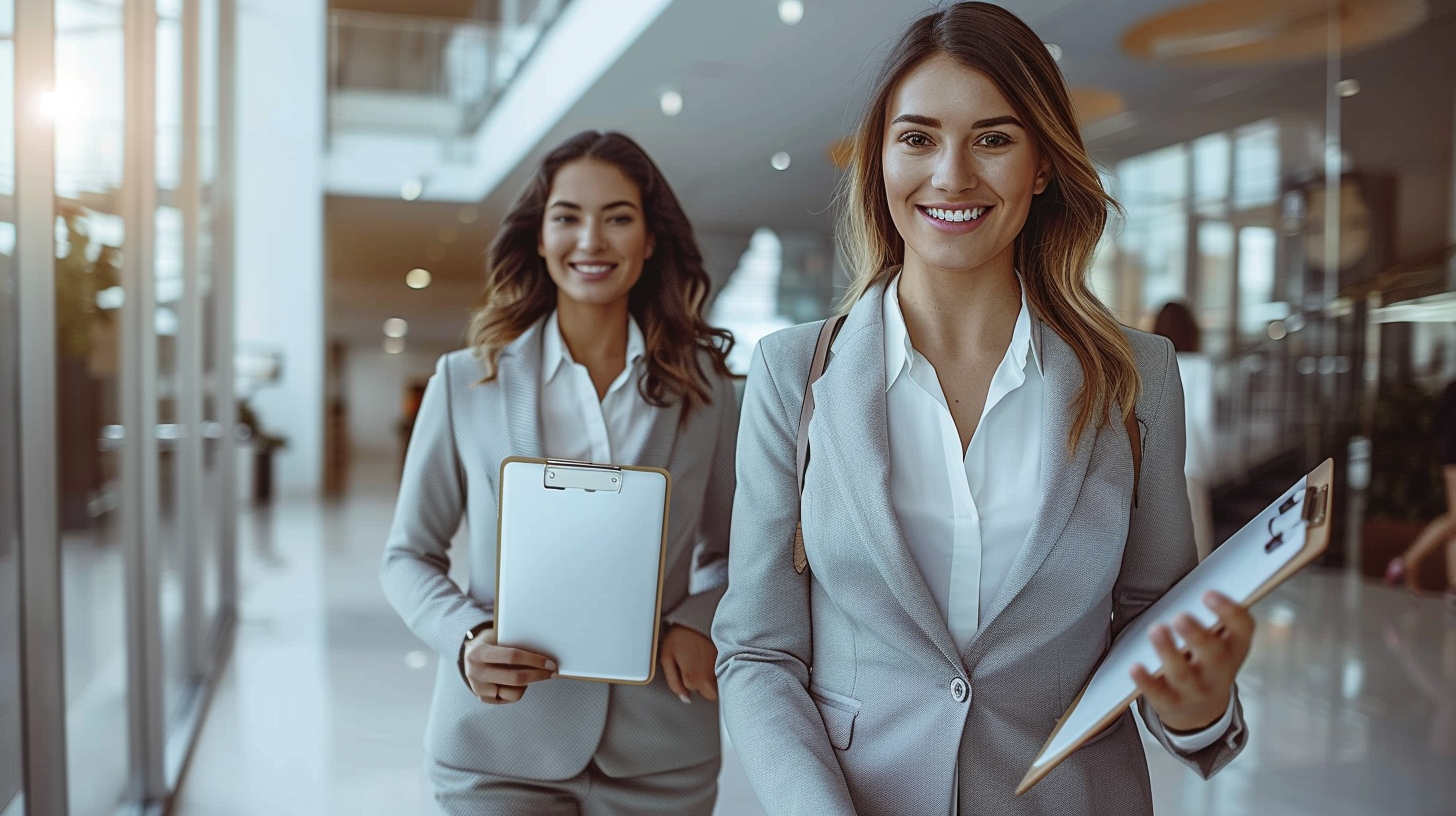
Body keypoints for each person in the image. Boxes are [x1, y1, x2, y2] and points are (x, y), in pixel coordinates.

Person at [712, 5, 1252, 814]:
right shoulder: (794, 374)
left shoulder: (1136, 379)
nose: (952, 176)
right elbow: (758, 651)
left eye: (993, 139)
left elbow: (1151, 623)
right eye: (918, 138)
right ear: (880, 161)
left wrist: (1199, 709)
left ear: (1042, 164)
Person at [381, 130, 738, 815]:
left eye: (618, 217)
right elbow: (408, 556)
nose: (591, 241)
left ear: (652, 238)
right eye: (568, 217)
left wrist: (699, 618)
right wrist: (465, 638)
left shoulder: (708, 391)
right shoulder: (465, 383)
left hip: (662, 748)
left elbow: (737, 553)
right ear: (539, 238)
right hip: (497, 744)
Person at [1385, 378, 1456, 612]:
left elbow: (1435, 423)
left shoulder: (1452, 385)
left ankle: (1454, 589)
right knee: (1455, 518)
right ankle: (1408, 561)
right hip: (1454, 456)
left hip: (1449, 454)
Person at [1153, 301, 1217, 560]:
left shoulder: (1152, 363)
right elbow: (1203, 419)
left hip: (1158, 460)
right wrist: (1211, 465)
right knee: (1197, 538)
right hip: (1192, 459)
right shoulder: (1200, 366)